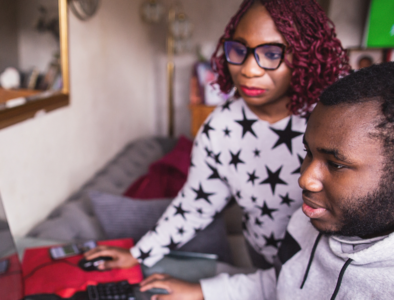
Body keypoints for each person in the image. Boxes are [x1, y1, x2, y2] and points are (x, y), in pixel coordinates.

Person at [86, 0, 348, 275]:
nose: (248, 70)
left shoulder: (335, 116)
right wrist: (138, 254)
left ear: (305, 55)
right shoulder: (221, 127)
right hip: (264, 259)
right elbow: (196, 204)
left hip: (331, 267)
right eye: (238, 50)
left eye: (271, 53)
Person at [141, 62, 394, 299]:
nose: (305, 179)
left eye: (336, 164)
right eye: (308, 153)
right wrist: (202, 290)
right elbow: (283, 281)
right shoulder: (305, 222)